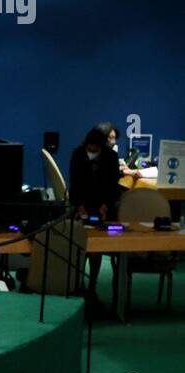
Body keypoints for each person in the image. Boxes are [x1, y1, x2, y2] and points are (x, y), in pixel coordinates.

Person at [67, 125, 123, 297]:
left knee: (96, 248)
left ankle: (92, 286)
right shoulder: (77, 154)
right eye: (89, 148)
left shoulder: (111, 157)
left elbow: (113, 185)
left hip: (102, 207)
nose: (92, 151)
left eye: (95, 148)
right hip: (82, 205)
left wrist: (106, 205)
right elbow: (74, 183)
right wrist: (79, 205)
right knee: (80, 246)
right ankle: (78, 283)